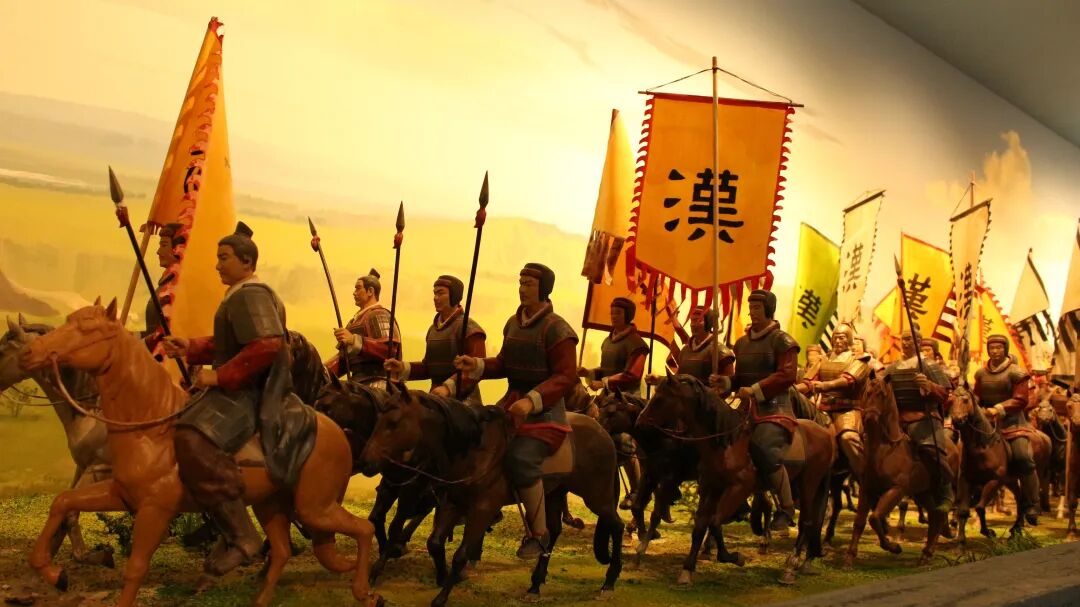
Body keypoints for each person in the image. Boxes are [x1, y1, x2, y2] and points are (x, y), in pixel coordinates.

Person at [163, 222, 286, 575]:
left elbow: (267, 345)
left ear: (247, 262)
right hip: (236, 388)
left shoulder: (252, 294)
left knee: (193, 439)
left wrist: (219, 376)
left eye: (224, 257)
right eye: (218, 258)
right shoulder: (238, 293)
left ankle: (243, 536)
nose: (217, 265)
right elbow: (229, 343)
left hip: (247, 394)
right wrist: (190, 347)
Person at [454, 263, 578, 560]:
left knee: (521, 458)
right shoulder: (513, 323)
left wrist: (532, 401)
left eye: (529, 284)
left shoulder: (558, 329)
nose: (522, 289)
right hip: (511, 405)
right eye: (520, 283)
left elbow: (565, 376)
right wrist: (478, 365)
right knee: (475, 440)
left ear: (543, 288)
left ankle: (539, 533)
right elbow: (504, 363)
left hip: (546, 415)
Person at [730, 290, 799, 531]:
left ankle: (787, 507)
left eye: (757, 308)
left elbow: (787, 375)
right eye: (751, 308)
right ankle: (737, 500)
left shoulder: (783, 341)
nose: (752, 312)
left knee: (764, 448)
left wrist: (755, 390)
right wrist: (726, 383)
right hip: (746, 409)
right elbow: (739, 378)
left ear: (769, 309)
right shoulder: (742, 343)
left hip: (774, 409)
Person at [384, 275, 485, 404]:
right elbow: (429, 368)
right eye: (435, 293)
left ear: (454, 296)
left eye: (441, 293)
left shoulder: (470, 329)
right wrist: (403, 368)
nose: (435, 298)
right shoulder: (433, 330)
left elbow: (476, 369)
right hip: (436, 397)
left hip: (464, 402)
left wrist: (448, 388)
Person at [883, 330, 955, 511]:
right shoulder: (892, 368)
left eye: (909, 339)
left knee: (932, 453)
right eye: (903, 339)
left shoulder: (929, 365)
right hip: (898, 420)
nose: (905, 342)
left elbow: (945, 394)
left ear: (918, 341)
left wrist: (929, 385)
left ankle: (946, 492)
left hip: (924, 418)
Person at [975, 334, 1040, 524]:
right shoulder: (981, 374)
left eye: (999, 348)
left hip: (1012, 424)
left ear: (1005, 349)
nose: (995, 351)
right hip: (987, 425)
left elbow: (1021, 399)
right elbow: (978, 396)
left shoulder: (1016, 372)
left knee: (1023, 457)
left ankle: (1033, 502)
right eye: (992, 348)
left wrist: (999, 409)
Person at [798, 324, 870, 478]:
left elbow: (848, 380)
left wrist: (825, 386)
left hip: (847, 410)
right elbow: (809, 382)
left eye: (842, 337)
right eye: (835, 337)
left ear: (849, 339)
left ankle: (865, 476)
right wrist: (793, 389)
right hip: (823, 409)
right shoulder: (823, 359)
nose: (838, 341)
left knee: (848, 438)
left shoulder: (858, 359)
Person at [326, 269, 401, 390]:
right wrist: (319, 371)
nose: (354, 293)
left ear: (370, 291)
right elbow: (344, 361)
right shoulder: (354, 322)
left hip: (378, 383)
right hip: (357, 384)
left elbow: (389, 350)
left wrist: (353, 340)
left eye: (358, 288)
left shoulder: (379, 314)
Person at [645, 305, 734, 390]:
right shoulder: (685, 351)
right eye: (692, 321)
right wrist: (660, 380)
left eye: (697, 320)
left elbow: (728, 386)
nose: (693, 325)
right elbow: (678, 379)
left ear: (708, 323)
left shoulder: (721, 352)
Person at [142, 222, 186, 358]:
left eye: (164, 245)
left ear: (179, 249)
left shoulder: (182, 287)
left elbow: (167, 333)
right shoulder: (167, 281)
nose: (158, 251)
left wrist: (134, 342)